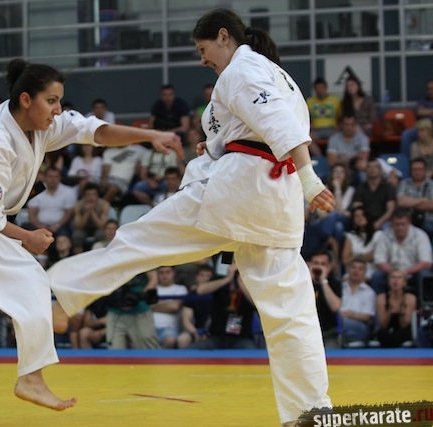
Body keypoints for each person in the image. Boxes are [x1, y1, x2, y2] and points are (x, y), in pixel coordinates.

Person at [48, 9, 335, 426]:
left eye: (203, 49)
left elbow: (279, 124)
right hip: (276, 202)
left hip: (241, 189)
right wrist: (217, 148)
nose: (202, 59)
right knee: (291, 313)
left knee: (140, 239)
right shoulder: (274, 73)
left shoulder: (242, 69)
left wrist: (310, 179)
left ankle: (63, 296)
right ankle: (310, 412)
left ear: (224, 36)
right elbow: (252, 129)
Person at [0, 58, 181, 425]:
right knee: (31, 278)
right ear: (26, 99)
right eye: (51, 101)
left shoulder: (38, 126)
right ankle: (32, 376)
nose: (58, 110)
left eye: (59, 101)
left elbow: (93, 131)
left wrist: (150, 136)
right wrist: (27, 237)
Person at [187, 262, 257, 350]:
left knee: (251, 352)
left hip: (242, 337)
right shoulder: (220, 280)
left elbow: (256, 303)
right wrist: (227, 279)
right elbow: (200, 290)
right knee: (194, 350)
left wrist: (241, 282)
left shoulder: (251, 283)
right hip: (217, 336)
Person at [370, 208, 433, 294]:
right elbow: (379, 260)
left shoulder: (420, 235)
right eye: (397, 224)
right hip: (391, 273)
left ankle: (424, 302)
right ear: (391, 223)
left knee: (424, 274)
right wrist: (395, 273)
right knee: (377, 276)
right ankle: (380, 301)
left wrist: (405, 273)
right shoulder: (385, 235)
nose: (400, 228)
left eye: (403, 224)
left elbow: (425, 262)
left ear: (409, 222)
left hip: (413, 274)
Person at [308, 250, 342, 350]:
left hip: (328, 334)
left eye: (323, 264)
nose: (318, 267)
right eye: (316, 263)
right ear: (309, 265)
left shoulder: (334, 283)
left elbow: (336, 307)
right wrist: (309, 281)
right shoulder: (301, 283)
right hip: (305, 334)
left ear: (329, 267)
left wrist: (323, 281)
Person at [375, 269, 417, 348]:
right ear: (388, 281)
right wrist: (390, 310)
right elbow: (383, 324)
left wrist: (402, 308)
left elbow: (404, 324)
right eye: (393, 277)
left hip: (403, 329)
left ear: (404, 283)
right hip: (387, 328)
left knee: (399, 336)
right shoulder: (381, 298)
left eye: (399, 278)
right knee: (383, 335)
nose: (395, 280)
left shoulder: (410, 298)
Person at [339, 259, 376, 346]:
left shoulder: (369, 292)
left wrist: (351, 315)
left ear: (364, 273)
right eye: (353, 267)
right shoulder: (340, 288)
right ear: (348, 270)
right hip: (339, 320)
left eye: (360, 269)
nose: (356, 271)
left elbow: (367, 317)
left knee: (339, 321)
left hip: (359, 325)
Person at [151, 266, 188, 348]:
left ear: (174, 273)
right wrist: (168, 303)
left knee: (170, 340)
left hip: (169, 328)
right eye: (161, 273)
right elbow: (148, 307)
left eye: (168, 272)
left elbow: (175, 307)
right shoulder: (152, 289)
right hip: (150, 328)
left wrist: (155, 305)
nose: (165, 275)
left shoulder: (180, 288)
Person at [397, 157, 433, 239]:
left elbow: (431, 205)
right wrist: (423, 200)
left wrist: (410, 202)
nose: (417, 172)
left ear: (425, 171)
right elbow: (400, 202)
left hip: (428, 219)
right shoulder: (404, 183)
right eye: (414, 170)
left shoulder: (431, 184)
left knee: (428, 228)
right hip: (408, 219)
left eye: (420, 169)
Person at [306, 77, 341, 156]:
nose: (319, 90)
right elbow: (304, 118)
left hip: (332, 129)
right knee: (307, 138)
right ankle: (320, 158)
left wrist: (338, 127)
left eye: (321, 87)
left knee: (338, 137)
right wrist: (310, 126)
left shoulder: (335, 100)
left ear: (326, 87)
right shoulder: (310, 101)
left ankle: (332, 157)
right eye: (317, 88)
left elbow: (341, 117)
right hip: (317, 130)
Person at [71, 182, 110, 253]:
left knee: (101, 234)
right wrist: (87, 213)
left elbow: (102, 226)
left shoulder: (104, 204)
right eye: (88, 194)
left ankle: (101, 255)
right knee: (77, 235)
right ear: (84, 196)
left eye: (94, 194)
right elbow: (78, 226)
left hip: (98, 228)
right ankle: (78, 257)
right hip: (83, 228)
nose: (91, 197)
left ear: (98, 195)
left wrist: (92, 212)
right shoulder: (78, 204)